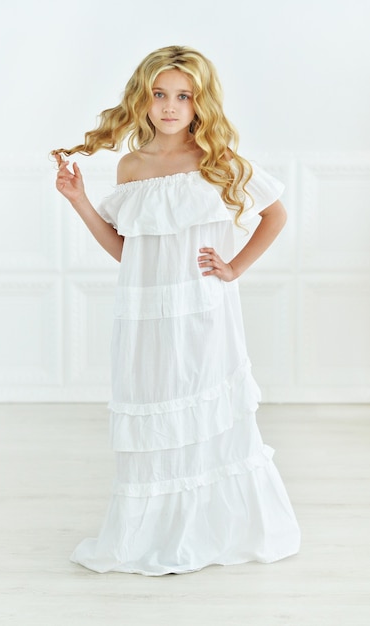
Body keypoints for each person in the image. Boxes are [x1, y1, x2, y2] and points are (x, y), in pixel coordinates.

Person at [52, 44, 300, 576]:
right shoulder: (131, 167)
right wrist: (79, 200)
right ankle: (156, 531)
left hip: (203, 314)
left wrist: (233, 267)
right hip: (143, 317)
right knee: (154, 413)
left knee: (203, 413)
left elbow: (275, 214)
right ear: (142, 99)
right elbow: (126, 250)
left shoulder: (217, 162)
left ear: (199, 103)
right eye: (159, 94)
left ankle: (213, 527)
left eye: (182, 96)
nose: (169, 106)